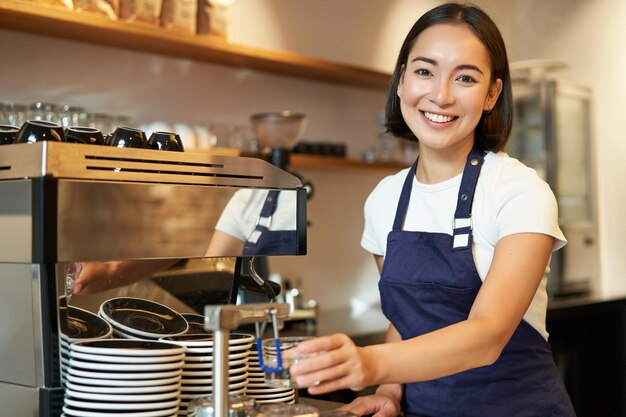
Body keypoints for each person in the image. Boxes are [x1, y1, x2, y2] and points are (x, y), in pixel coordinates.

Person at [288, 3, 576, 416]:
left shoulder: (520, 192)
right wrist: (388, 392)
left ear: (492, 94)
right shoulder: (385, 200)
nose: (441, 95)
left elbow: (487, 335)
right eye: (424, 71)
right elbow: (407, 322)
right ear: (402, 79)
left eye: (465, 78)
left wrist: (370, 363)